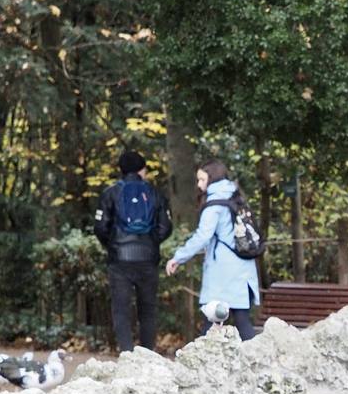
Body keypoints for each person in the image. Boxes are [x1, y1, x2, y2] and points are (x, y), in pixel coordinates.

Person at [165, 160, 261, 339]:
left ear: (212, 178)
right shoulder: (235, 196)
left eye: (202, 180)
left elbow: (203, 236)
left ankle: (201, 363)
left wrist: (178, 257)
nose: (199, 185)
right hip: (244, 269)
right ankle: (258, 362)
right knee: (242, 321)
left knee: (212, 322)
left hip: (222, 273)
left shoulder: (215, 204)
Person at [94, 149, 173, 353]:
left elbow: (101, 227)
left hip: (119, 261)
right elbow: (166, 227)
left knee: (121, 310)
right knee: (147, 309)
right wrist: (151, 243)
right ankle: (146, 354)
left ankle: (127, 353)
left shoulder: (110, 193)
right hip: (148, 260)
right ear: (141, 170)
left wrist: (112, 245)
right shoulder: (155, 193)